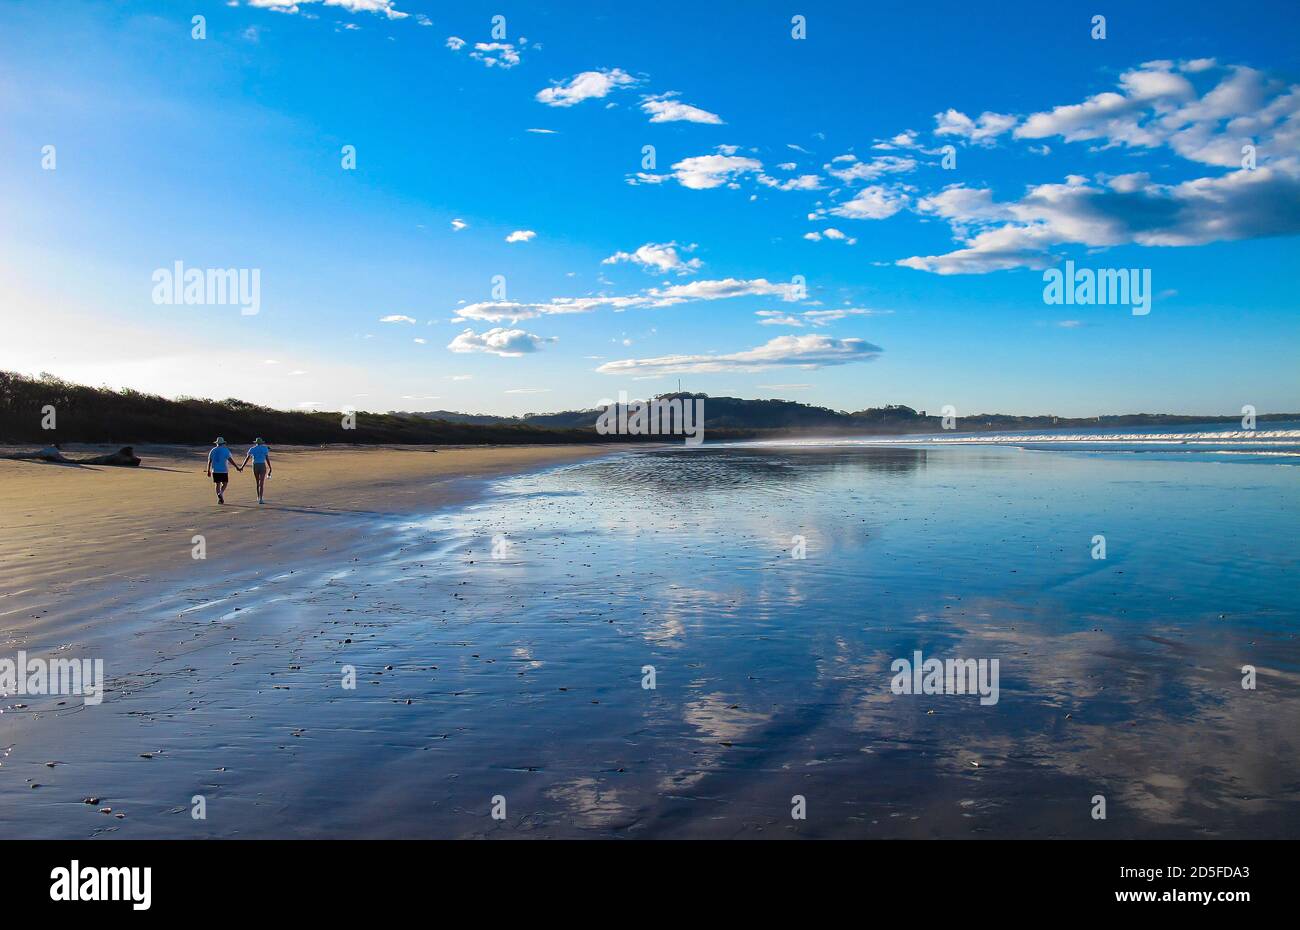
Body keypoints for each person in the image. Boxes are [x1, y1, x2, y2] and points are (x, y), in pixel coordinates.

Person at [206, 437, 239, 504]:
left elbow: (209, 461)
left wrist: (208, 470)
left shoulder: (213, 450)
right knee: (225, 483)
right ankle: (221, 493)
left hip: (215, 470)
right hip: (223, 470)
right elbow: (230, 460)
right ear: (223, 443)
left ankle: (220, 499)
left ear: (217, 443)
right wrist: (237, 467)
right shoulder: (225, 450)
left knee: (217, 484)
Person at [240, 437, 273, 504]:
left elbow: (247, 458)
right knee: (262, 483)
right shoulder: (264, 448)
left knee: (257, 482)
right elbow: (267, 458)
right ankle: (260, 499)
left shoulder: (252, 449)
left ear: (256, 443)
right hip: (262, 465)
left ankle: (258, 497)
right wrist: (270, 467)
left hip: (255, 465)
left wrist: (242, 466)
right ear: (261, 443)